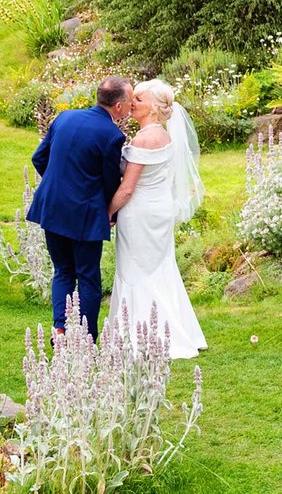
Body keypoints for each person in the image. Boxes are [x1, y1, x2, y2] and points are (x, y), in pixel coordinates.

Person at [103, 78, 206, 359]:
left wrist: (107, 213)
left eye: (138, 99)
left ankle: (140, 334)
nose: (131, 103)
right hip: (159, 209)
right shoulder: (164, 136)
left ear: (153, 108)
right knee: (159, 268)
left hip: (139, 213)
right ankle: (172, 329)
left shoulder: (144, 139)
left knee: (135, 269)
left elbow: (127, 189)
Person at [25, 78, 130, 337]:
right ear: (118, 106)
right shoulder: (112, 135)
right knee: (88, 277)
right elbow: (110, 181)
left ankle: (60, 329)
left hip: (52, 207)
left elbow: (39, 157)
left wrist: (60, 184)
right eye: (129, 101)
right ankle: (87, 338)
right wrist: (111, 212)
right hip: (84, 215)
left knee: (62, 271)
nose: (131, 106)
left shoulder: (65, 117)